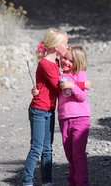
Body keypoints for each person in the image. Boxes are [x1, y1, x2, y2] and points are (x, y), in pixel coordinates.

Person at [23, 28, 68, 186]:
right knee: (36, 148)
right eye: (65, 44)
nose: (67, 48)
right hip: (39, 110)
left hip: (49, 110)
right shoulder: (46, 64)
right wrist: (79, 86)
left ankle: (47, 181)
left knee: (47, 149)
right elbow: (58, 87)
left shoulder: (55, 62)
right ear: (56, 46)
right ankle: (27, 181)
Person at [58, 44, 91, 186]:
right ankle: (72, 182)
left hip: (80, 118)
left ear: (77, 63)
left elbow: (83, 97)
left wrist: (73, 86)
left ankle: (81, 183)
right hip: (64, 119)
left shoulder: (79, 74)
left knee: (78, 155)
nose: (66, 62)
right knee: (70, 155)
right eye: (64, 58)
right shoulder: (60, 75)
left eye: (71, 61)